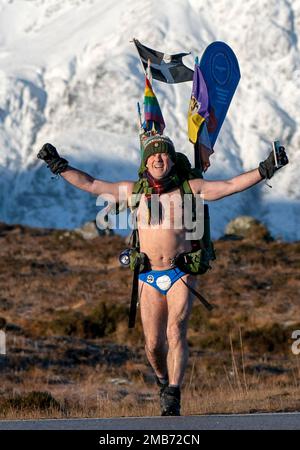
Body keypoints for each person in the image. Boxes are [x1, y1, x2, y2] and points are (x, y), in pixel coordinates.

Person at [37, 136, 288, 416]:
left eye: (163, 155)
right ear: (145, 161)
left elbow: (229, 186)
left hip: (181, 272)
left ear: (171, 158)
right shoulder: (136, 192)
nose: (158, 159)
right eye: (152, 155)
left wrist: (266, 168)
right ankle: (161, 379)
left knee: (175, 331)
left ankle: (173, 393)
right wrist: (58, 166)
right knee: (153, 345)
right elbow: (92, 184)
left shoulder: (189, 189)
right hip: (148, 276)